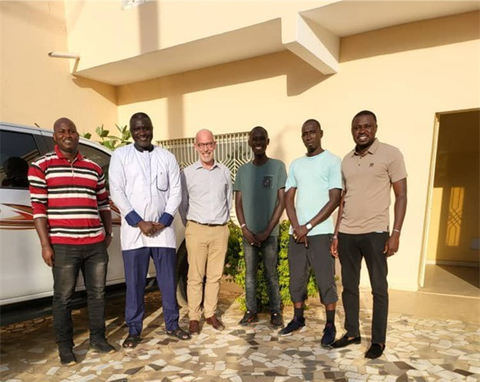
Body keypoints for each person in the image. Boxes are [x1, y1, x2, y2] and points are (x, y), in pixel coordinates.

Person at [28, 117, 115, 366]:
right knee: (63, 297)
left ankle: (98, 338)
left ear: (78, 135)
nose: (68, 134)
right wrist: (46, 245)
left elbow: (103, 204)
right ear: (55, 136)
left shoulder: (93, 168)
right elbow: (38, 210)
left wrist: (107, 233)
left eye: (73, 131)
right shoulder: (40, 166)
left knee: (97, 294)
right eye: (62, 131)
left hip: (95, 244)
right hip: (63, 245)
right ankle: (65, 347)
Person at [109, 112, 190, 348]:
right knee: (135, 284)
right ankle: (134, 330)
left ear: (152, 128)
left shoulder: (167, 157)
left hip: (162, 232)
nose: (142, 132)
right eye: (137, 129)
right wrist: (138, 221)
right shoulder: (120, 156)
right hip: (135, 234)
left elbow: (176, 190)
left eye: (146, 128)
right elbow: (117, 191)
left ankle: (172, 324)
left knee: (167, 281)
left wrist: (164, 220)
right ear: (132, 131)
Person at [330, 110, 407, 359]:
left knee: (378, 289)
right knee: (349, 287)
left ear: (375, 128)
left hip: (376, 233)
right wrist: (336, 234)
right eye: (356, 127)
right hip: (348, 233)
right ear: (352, 130)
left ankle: (378, 341)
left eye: (367, 126)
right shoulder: (346, 160)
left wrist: (395, 233)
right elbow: (343, 199)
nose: (362, 131)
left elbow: (401, 195)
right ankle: (352, 333)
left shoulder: (391, 154)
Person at [281, 119, 341, 347]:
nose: (309, 137)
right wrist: (297, 227)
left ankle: (330, 324)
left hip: (321, 232)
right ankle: (298, 319)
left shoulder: (333, 161)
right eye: (305, 134)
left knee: (325, 280)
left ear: (321, 133)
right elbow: (288, 197)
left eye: (312, 132)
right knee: (297, 279)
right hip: (296, 233)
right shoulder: (296, 164)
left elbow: (335, 199)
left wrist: (308, 226)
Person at [180, 129, 232, 335]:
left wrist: (222, 222)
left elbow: (228, 201)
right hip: (197, 228)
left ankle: (210, 313)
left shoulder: (224, 172)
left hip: (220, 229)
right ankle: (194, 316)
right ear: (195, 147)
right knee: (195, 275)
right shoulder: (187, 173)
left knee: (214, 276)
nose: (205, 149)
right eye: (201, 145)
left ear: (215, 145)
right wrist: (192, 225)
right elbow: (182, 204)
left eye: (209, 144)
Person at [234, 126, 286, 327]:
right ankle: (251, 311)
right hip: (249, 234)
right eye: (254, 138)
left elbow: (281, 202)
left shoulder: (277, 167)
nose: (258, 142)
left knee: (271, 273)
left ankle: (275, 312)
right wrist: (245, 228)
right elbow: (238, 202)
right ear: (249, 142)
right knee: (250, 275)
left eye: (261, 139)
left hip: (269, 234)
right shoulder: (243, 170)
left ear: (267, 142)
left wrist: (267, 230)